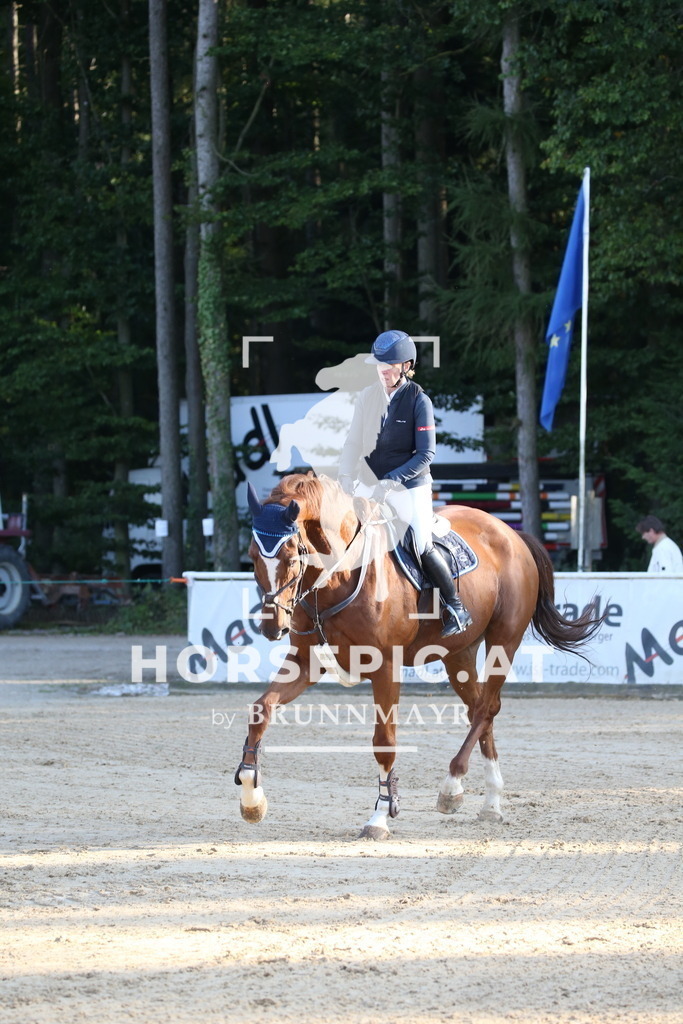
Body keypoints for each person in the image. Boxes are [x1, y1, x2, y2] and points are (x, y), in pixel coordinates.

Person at [338, 329, 472, 637]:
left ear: (405, 365)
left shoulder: (418, 401)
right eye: (379, 366)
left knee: (420, 542)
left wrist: (393, 480)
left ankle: (456, 607)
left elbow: (426, 454)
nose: (382, 371)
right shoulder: (366, 397)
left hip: (411, 486)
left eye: (388, 366)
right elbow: (352, 442)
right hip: (371, 485)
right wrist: (346, 475)